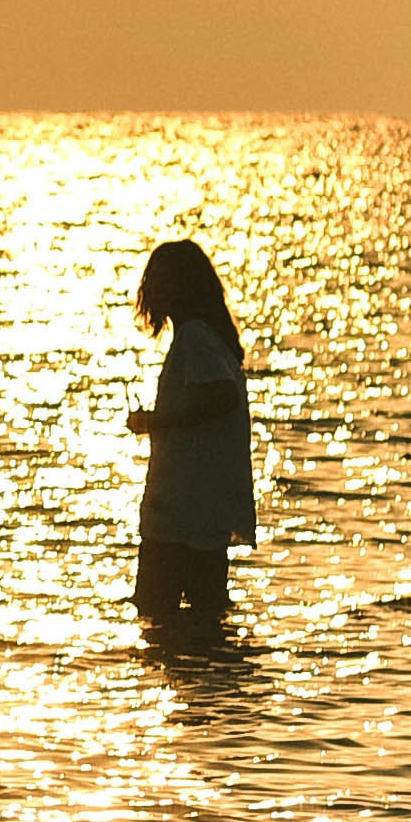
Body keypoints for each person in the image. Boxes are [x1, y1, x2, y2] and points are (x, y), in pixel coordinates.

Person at [125, 237, 258, 627]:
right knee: (206, 621)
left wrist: (156, 422)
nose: (157, 291)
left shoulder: (197, 338)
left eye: (166, 282)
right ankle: (210, 685)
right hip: (199, 510)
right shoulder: (205, 336)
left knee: (156, 616)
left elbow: (221, 396)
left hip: (182, 513)